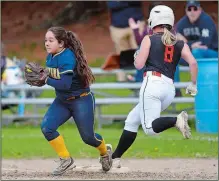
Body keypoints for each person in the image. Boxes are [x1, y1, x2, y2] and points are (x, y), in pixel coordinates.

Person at [110, 5, 198, 168]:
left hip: (152, 84)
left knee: (150, 128)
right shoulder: (179, 43)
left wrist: (136, 57)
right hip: (169, 89)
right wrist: (193, 84)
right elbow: (193, 62)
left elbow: (139, 65)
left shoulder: (148, 39)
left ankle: (176, 120)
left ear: (153, 21)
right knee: (131, 120)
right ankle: (115, 158)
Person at [41, 26, 112, 175]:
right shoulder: (51, 56)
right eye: (46, 40)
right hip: (63, 100)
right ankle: (66, 159)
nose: (47, 43)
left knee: (88, 138)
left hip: (81, 100)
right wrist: (42, 78)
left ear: (61, 43)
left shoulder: (67, 57)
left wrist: (46, 79)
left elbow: (65, 84)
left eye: (51, 40)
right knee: (47, 127)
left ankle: (105, 152)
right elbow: (56, 78)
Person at [174, 0, 218, 93]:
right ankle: (176, 90)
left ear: (200, 10)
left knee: (197, 51)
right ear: (186, 11)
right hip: (192, 54)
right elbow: (176, 42)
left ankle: (199, 86)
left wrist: (186, 42)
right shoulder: (182, 23)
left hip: (211, 54)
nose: (192, 12)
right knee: (174, 57)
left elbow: (204, 44)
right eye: (189, 9)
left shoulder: (206, 20)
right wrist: (191, 44)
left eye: (195, 9)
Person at [106, 1, 145, 82]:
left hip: (137, 24)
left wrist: (120, 2)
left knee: (140, 51)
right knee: (121, 54)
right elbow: (112, 4)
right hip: (118, 27)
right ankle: (123, 79)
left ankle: (141, 77)